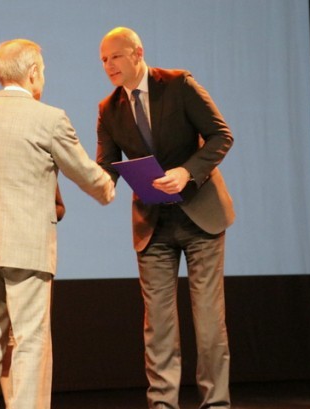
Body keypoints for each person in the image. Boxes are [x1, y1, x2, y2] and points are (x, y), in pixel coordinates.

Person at [0, 38, 115, 409]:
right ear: (32, 73)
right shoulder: (49, 117)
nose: (43, 77)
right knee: (30, 341)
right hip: (28, 247)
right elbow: (84, 172)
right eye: (42, 71)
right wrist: (108, 186)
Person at [96, 27, 235, 409]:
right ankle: (162, 405)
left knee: (208, 322)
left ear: (137, 53)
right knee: (158, 325)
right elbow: (106, 166)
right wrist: (96, 182)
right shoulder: (108, 108)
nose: (109, 65)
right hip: (152, 223)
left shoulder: (178, 84)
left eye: (115, 56)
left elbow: (221, 136)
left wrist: (187, 172)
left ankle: (216, 404)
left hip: (200, 217)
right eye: (104, 60)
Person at [0, 187, 65, 406]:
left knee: (29, 339)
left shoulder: (42, 168)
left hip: (33, 256)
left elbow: (59, 208)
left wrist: (37, 211)